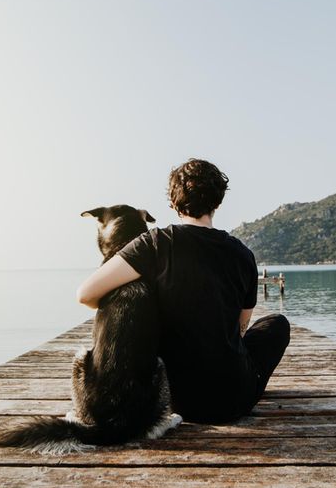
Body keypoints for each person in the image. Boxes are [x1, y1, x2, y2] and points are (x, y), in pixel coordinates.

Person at [76, 158, 290, 422]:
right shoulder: (242, 254)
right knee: (277, 325)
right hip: (233, 400)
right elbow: (241, 327)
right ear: (218, 202)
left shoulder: (154, 244)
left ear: (174, 203)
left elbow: (85, 294)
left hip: (173, 400)